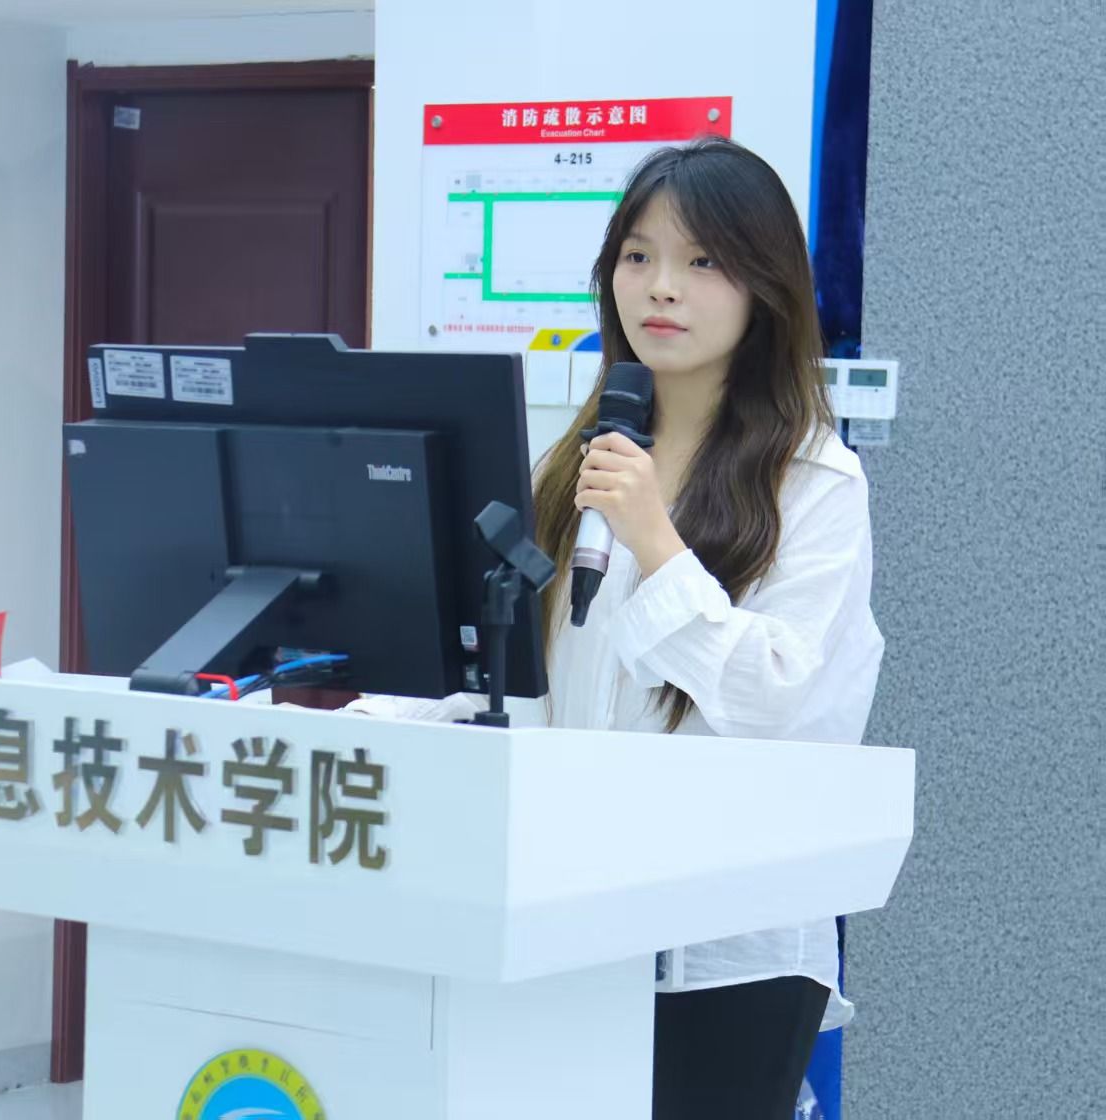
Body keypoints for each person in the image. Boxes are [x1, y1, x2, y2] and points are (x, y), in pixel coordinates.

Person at [346, 136, 884, 1118]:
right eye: (638, 256)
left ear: (765, 287)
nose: (661, 287)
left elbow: (779, 697)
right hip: (563, 912)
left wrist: (655, 541)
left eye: (702, 260)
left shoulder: (814, 479)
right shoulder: (580, 457)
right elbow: (511, 663)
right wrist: (362, 720)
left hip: (722, 949)